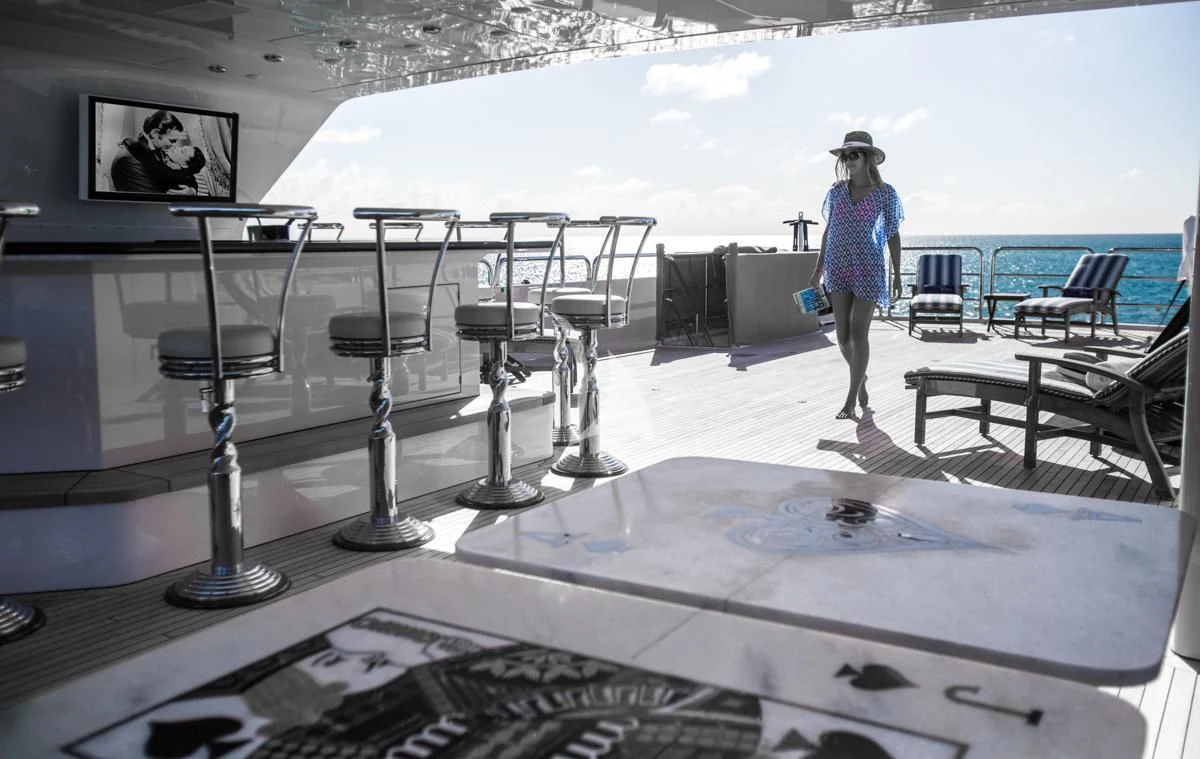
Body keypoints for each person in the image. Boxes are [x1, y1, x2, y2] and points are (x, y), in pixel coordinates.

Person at [809, 130, 904, 420]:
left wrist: (897, 274)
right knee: (841, 336)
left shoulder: (885, 193)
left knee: (859, 332)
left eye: (854, 155)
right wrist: (818, 270)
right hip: (838, 266)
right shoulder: (836, 191)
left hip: (868, 266)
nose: (848, 160)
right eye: (845, 155)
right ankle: (860, 379)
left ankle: (850, 401)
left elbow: (893, 234)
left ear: (868, 158)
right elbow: (829, 231)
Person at [109, 110, 196, 195]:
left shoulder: (158, 147)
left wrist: (192, 191)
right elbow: (154, 198)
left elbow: (187, 176)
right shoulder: (127, 160)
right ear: (155, 133)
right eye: (171, 140)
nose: (172, 146)